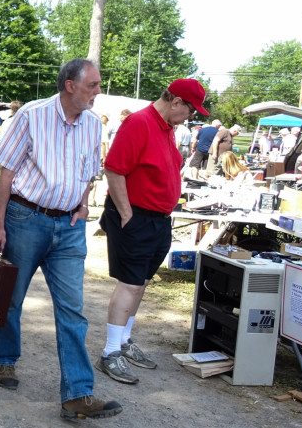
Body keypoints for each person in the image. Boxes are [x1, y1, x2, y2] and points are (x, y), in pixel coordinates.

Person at [0, 58, 122, 420]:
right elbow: (6, 174)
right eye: (92, 85)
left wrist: (82, 205)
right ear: (69, 86)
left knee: (72, 311)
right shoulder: (32, 115)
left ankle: (78, 394)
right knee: (12, 299)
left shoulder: (94, 125)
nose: (98, 92)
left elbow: (88, 172)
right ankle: (3, 358)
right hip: (25, 219)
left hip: (69, 229)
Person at [99, 78, 208, 386]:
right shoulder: (140, 122)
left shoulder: (165, 128)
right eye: (190, 110)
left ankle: (123, 340)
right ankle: (109, 352)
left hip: (157, 219)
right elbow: (114, 168)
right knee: (130, 284)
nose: (189, 117)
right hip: (137, 216)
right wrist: (126, 214)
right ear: (176, 102)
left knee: (141, 283)